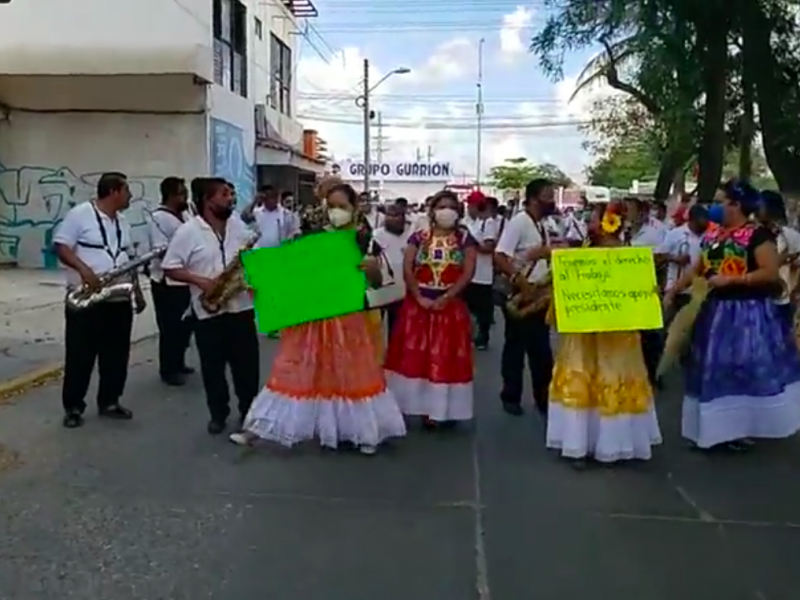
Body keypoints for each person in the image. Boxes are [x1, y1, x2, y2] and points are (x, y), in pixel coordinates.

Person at [230, 182, 406, 454]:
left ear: (354, 208)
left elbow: (376, 282)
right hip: (312, 318)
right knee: (292, 370)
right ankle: (257, 429)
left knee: (351, 373)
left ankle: (365, 433)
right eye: (331, 206)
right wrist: (261, 275)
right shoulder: (314, 237)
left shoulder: (365, 239)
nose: (336, 212)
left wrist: (371, 268)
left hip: (348, 318)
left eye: (342, 206)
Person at [666, 179, 800, 451]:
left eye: (719, 201)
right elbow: (697, 269)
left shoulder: (758, 235)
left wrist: (734, 280)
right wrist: (672, 291)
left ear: (736, 205)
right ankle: (715, 430)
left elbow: (769, 272)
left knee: (742, 368)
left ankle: (740, 428)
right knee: (710, 368)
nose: (713, 207)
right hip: (714, 313)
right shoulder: (713, 235)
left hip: (749, 314)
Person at [547, 202, 662, 467]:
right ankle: (587, 444)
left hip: (616, 333)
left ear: (608, 223)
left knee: (611, 378)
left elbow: (640, 292)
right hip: (586, 331)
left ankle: (600, 444)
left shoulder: (628, 257)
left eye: (593, 220)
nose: (588, 225)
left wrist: (648, 293)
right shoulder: (584, 254)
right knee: (589, 378)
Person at [161, 177, 260, 435]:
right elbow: (170, 267)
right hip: (208, 313)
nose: (231, 198)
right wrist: (200, 281)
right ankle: (219, 414)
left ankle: (249, 411)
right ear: (207, 200)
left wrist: (251, 279)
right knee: (213, 369)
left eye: (231, 193)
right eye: (224, 194)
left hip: (241, 309)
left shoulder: (237, 225)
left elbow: (250, 258)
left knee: (247, 368)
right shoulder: (188, 231)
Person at [384, 190, 477, 427]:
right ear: (432, 211)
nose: (446, 211)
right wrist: (418, 296)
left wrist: (448, 296)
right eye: (441, 206)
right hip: (419, 307)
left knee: (446, 358)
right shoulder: (419, 237)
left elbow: (468, 272)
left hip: (450, 307)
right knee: (417, 357)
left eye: (452, 207)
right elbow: (408, 267)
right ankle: (420, 407)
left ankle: (443, 410)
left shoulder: (465, 239)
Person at [53, 172, 137, 428]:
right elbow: (61, 246)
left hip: (118, 298)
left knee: (117, 355)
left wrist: (137, 294)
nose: (130, 196)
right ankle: (74, 407)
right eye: (126, 190)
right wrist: (84, 270)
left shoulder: (123, 222)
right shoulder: (79, 214)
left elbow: (129, 258)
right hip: (86, 298)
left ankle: (110, 401)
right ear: (114, 191)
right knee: (80, 356)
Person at [494, 178, 556, 416]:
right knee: (517, 346)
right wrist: (520, 281)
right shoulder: (519, 222)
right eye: (548, 196)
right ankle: (511, 395)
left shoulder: (542, 224)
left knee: (540, 348)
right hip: (523, 291)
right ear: (533, 199)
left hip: (539, 291)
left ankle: (544, 397)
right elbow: (500, 256)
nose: (551, 201)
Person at [148, 176, 194, 386]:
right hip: (166, 281)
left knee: (184, 325)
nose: (185, 197)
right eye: (182, 193)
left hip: (184, 280)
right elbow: (161, 250)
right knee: (170, 326)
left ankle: (179, 362)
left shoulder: (185, 214)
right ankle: (168, 369)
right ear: (171, 196)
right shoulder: (158, 218)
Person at [657, 204, 709, 319]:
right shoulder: (675, 234)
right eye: (703, 219)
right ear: (693, 219)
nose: (707, 223)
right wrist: (674, 258)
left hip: (698, 292)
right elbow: (657, 257)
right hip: (675, 291)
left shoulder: (709, 236)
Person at [758, 190, 800, 327]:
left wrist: (795, 290)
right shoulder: (748, 234)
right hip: (754, 300)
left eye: (761, 204)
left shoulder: (790, 236)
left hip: (783, 301)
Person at [463, 191, 498, 349]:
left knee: (482, 307)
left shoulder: (488, 223)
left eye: (470, 205)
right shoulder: (474, 222)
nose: (468, 208)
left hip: (482, 273)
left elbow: (489, 247)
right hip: (470, 273)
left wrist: (471, 244)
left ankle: (483, 337)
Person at [372, 202, 412, 337]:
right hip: (383, 286)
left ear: (403, 217)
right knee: (377, 325)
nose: (393, 219)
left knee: (398, 327)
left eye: (397, 215)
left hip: (405, 287)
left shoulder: (411, 235)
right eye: (389, 215)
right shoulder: (376, 235)